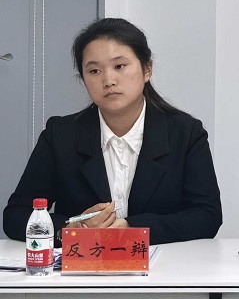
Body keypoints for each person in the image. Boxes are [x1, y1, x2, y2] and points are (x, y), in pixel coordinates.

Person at [3, 18, 222, 245]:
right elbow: (15, 216)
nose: (108, 80)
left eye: (119, 66)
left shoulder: (185, 133)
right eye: (94, 71)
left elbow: (207, 216)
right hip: (84, 265)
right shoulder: (60, 135)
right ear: (83, 79)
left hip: (163, 264)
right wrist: (68, 230)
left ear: (147, 69)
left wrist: (131, 229)